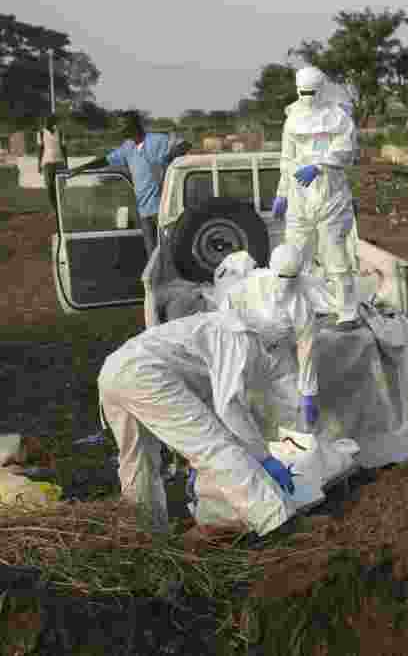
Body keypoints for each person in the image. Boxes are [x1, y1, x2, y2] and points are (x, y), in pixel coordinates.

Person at [98, 310, 301, 539]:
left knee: (138, 460)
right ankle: (275, 519)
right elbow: (229, 407)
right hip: (146, 373)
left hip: (114, 370)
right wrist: (263, 457)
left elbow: (217, 402)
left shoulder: (218, 327)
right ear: (274, 343)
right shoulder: (241, 338)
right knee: (214, 447)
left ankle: (144, 535)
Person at [272, 66, 360, 330]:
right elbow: (287, 159)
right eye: (303, 92)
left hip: (330, 196)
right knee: (294, 255)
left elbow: (345, 151)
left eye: (311, 92)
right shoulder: (292, 119)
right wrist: (281, 192)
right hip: (299, 196)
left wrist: (319, 165)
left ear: (321, 89)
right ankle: (297, 309)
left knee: (335, 254)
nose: (307, 97)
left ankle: (347, 312)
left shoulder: (339, 119)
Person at [216, 243, 321, 429]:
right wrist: (245, 335)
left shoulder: (300, 302)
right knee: (240, 403)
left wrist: (308, 392)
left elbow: (306, 346)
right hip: (244, 349)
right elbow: (225, 315)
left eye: (292, 277)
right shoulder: (248, 287)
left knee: (294, 406)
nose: (287, 283)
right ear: (273, 270)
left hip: (276, 353)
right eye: (282, 276)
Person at [70, 111, 190, 259]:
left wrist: (168, 157)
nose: (119, 128)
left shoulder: (157, 140)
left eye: (122, 125)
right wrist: (82, 168)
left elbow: (185, 144)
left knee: (170, 251)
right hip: (144, 211)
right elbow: (106, 160)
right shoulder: (127, 148)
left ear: (133, 125)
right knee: (152, 256)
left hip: (163, 209)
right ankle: (155, 282)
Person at [37, 115, 68, 213]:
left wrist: (66, 163)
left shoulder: (60, 132)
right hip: (47, 163)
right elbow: (40, 149)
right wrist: (39, 164)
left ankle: (61, 206)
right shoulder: (41, 133)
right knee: (50, 186)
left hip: (59, 162)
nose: (46, 123)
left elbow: (64, 148)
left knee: (60, 186)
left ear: (53, 122)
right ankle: (54, 208)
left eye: (49, 121)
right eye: (45, 121)